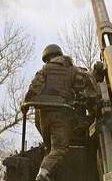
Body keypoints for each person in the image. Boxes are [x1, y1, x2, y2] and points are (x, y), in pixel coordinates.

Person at [24, 44, 97, 181]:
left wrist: (26, 103)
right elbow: (87, 83)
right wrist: (94, 104)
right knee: (59, 149)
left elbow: (34, 88)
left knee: (50, 148)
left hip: (43, 115)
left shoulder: (44, 70)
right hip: (61, 113)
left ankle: (48, 174)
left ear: (48, 58)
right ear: (60, 54)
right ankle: (42, 174)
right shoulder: (71, 70)